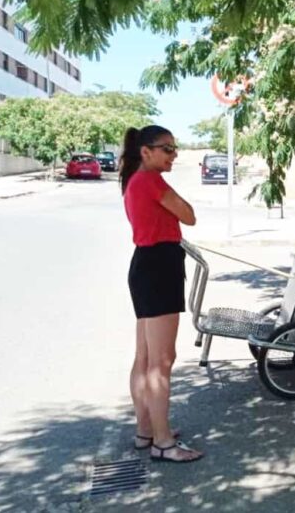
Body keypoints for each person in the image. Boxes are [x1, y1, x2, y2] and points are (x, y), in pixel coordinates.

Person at [120, 125, 202, 463]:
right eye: (166, 149)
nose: (173, 154)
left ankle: (146, 431)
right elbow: (189, 215)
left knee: (145, 357)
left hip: (146, 266)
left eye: (174, 148)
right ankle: (163, 443)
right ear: (146, 152)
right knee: (162, 361)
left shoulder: (134, 180)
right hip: (158, 268)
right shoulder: (151, 180)